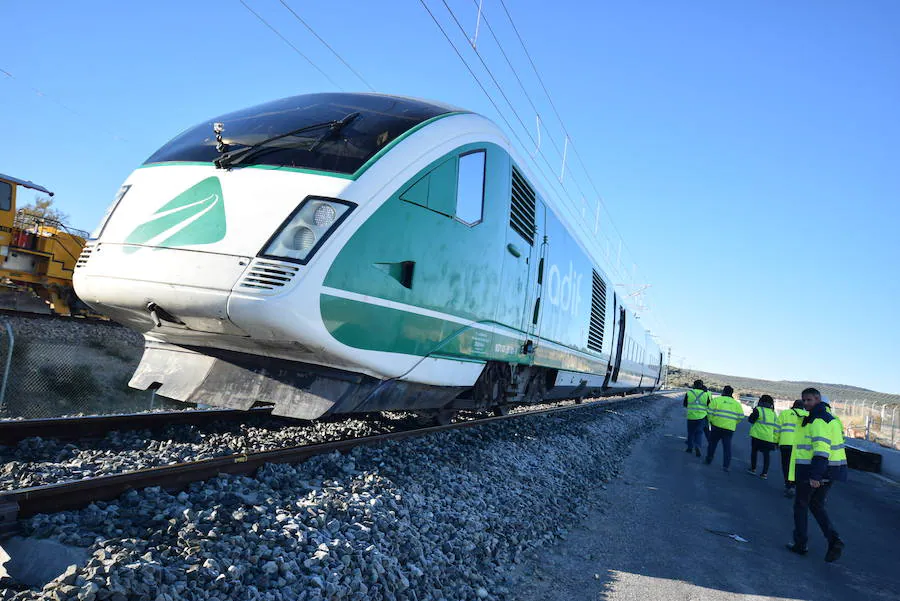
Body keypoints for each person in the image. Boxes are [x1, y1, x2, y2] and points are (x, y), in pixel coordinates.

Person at [786, 387, 847, 562]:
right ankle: (834, 540)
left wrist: (816, 476)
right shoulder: (831, 420)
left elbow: (821, 450)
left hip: (814, 471)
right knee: (816, 505)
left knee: (801, 506)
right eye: (803, 400)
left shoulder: (818, 421)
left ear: (818, 400)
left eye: (809, 400)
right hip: (830, 471)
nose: (805, 403)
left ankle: (801, 544)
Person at [704, 385, 744, 471]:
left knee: (712, 444)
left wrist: (711, 421)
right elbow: (741, 417)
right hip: (729, 429)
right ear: (731, 393)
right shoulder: (736, 404)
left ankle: (709, 459)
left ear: (723, 392)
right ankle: (726, 466)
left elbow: (709, 412)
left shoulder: (716, 400)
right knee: (727, 447)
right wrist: (733, 423)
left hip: (716, 426)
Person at [776, 400, 808, 498]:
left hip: (786, 444)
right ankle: (798, 486)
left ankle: (789, 486)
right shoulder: (808, 415)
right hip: (801, 446)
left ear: (793, 406)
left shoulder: (785, 413)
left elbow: (777, 428)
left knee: (786, 466)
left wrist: (775, 441)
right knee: (798, 467)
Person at [748, 395, 778, 478]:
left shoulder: (758, 410)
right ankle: (764, 473)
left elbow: (751, 420)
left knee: (754, 452)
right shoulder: (773, 413)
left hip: (757, 435)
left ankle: (753, 469)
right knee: (766, 455)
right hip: (768, 438)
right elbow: (776, 426)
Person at [683, 380, 711, 456]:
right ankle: (697, 446)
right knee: (699, 432)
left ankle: (689, 448)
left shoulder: (689, 393)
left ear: (694, 385)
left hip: (691, 416)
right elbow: (709, 406)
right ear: (701, 385)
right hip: (702, 417)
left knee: (691, 433)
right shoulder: (705, 394)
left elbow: (685, 404)